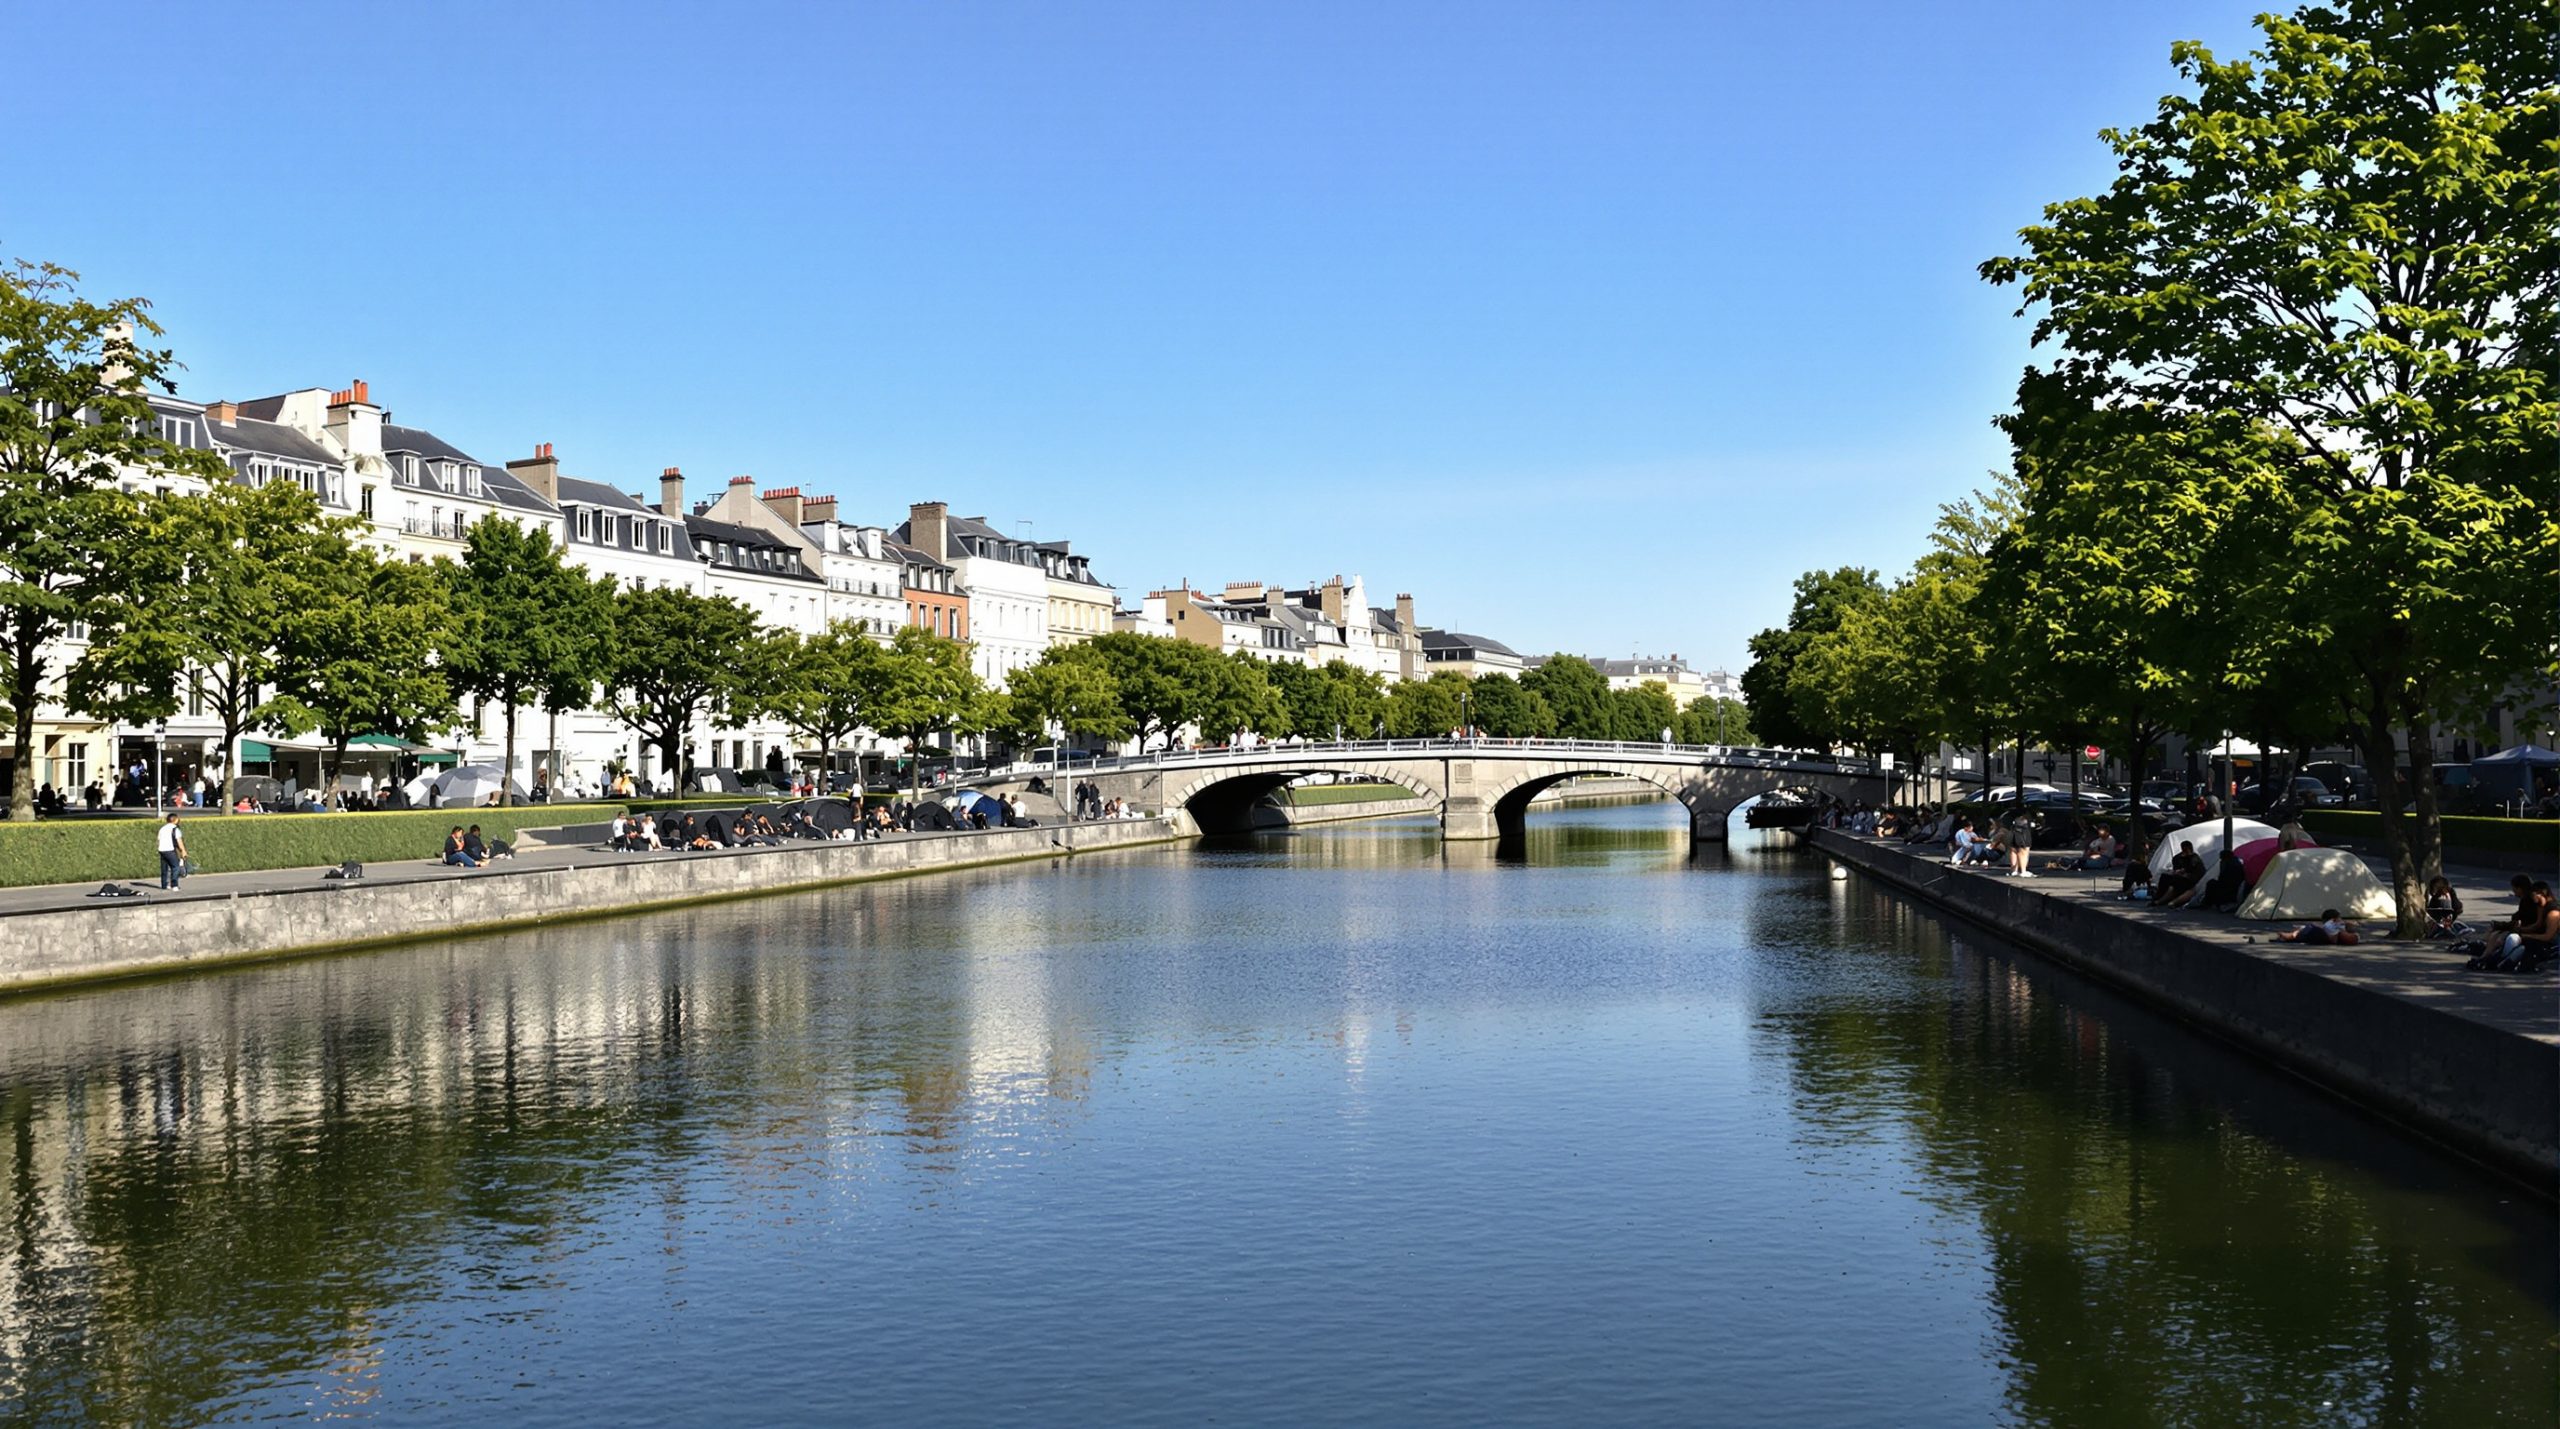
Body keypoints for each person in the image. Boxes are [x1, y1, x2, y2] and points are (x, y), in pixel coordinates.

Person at [2156, 841, 2206, 906]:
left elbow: (2194, 869)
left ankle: (2164, 900)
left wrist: (2182, 872)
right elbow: (2176, 869)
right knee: (2165, 877)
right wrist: (2178, 872)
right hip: (2181, 876)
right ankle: (2159, 897)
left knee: (2175, 882)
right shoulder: (2178, 858)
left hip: (2190, 879)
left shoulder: (2194, 857)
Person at [2274, 909, 2353, 945]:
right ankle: (2285, 935)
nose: (2341, 919)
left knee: (2297, 933)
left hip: (2312, 931)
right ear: (2334, 919)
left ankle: (2285, 935)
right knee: (2296, 934)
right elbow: (2333, 939)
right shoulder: (2331, 925)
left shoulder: (2334, 925)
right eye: (2340, 917)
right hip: (2312, 932)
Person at [156, 813, 187, 890]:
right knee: (175, 867)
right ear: (175, 820)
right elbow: (179, 841)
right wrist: (183, 851)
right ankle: (174, 885)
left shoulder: (162, 829)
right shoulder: (175, 829)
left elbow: (158, 840)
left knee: (164, 868)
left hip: (162, 850)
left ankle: (164, 885)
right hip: (170, 850)